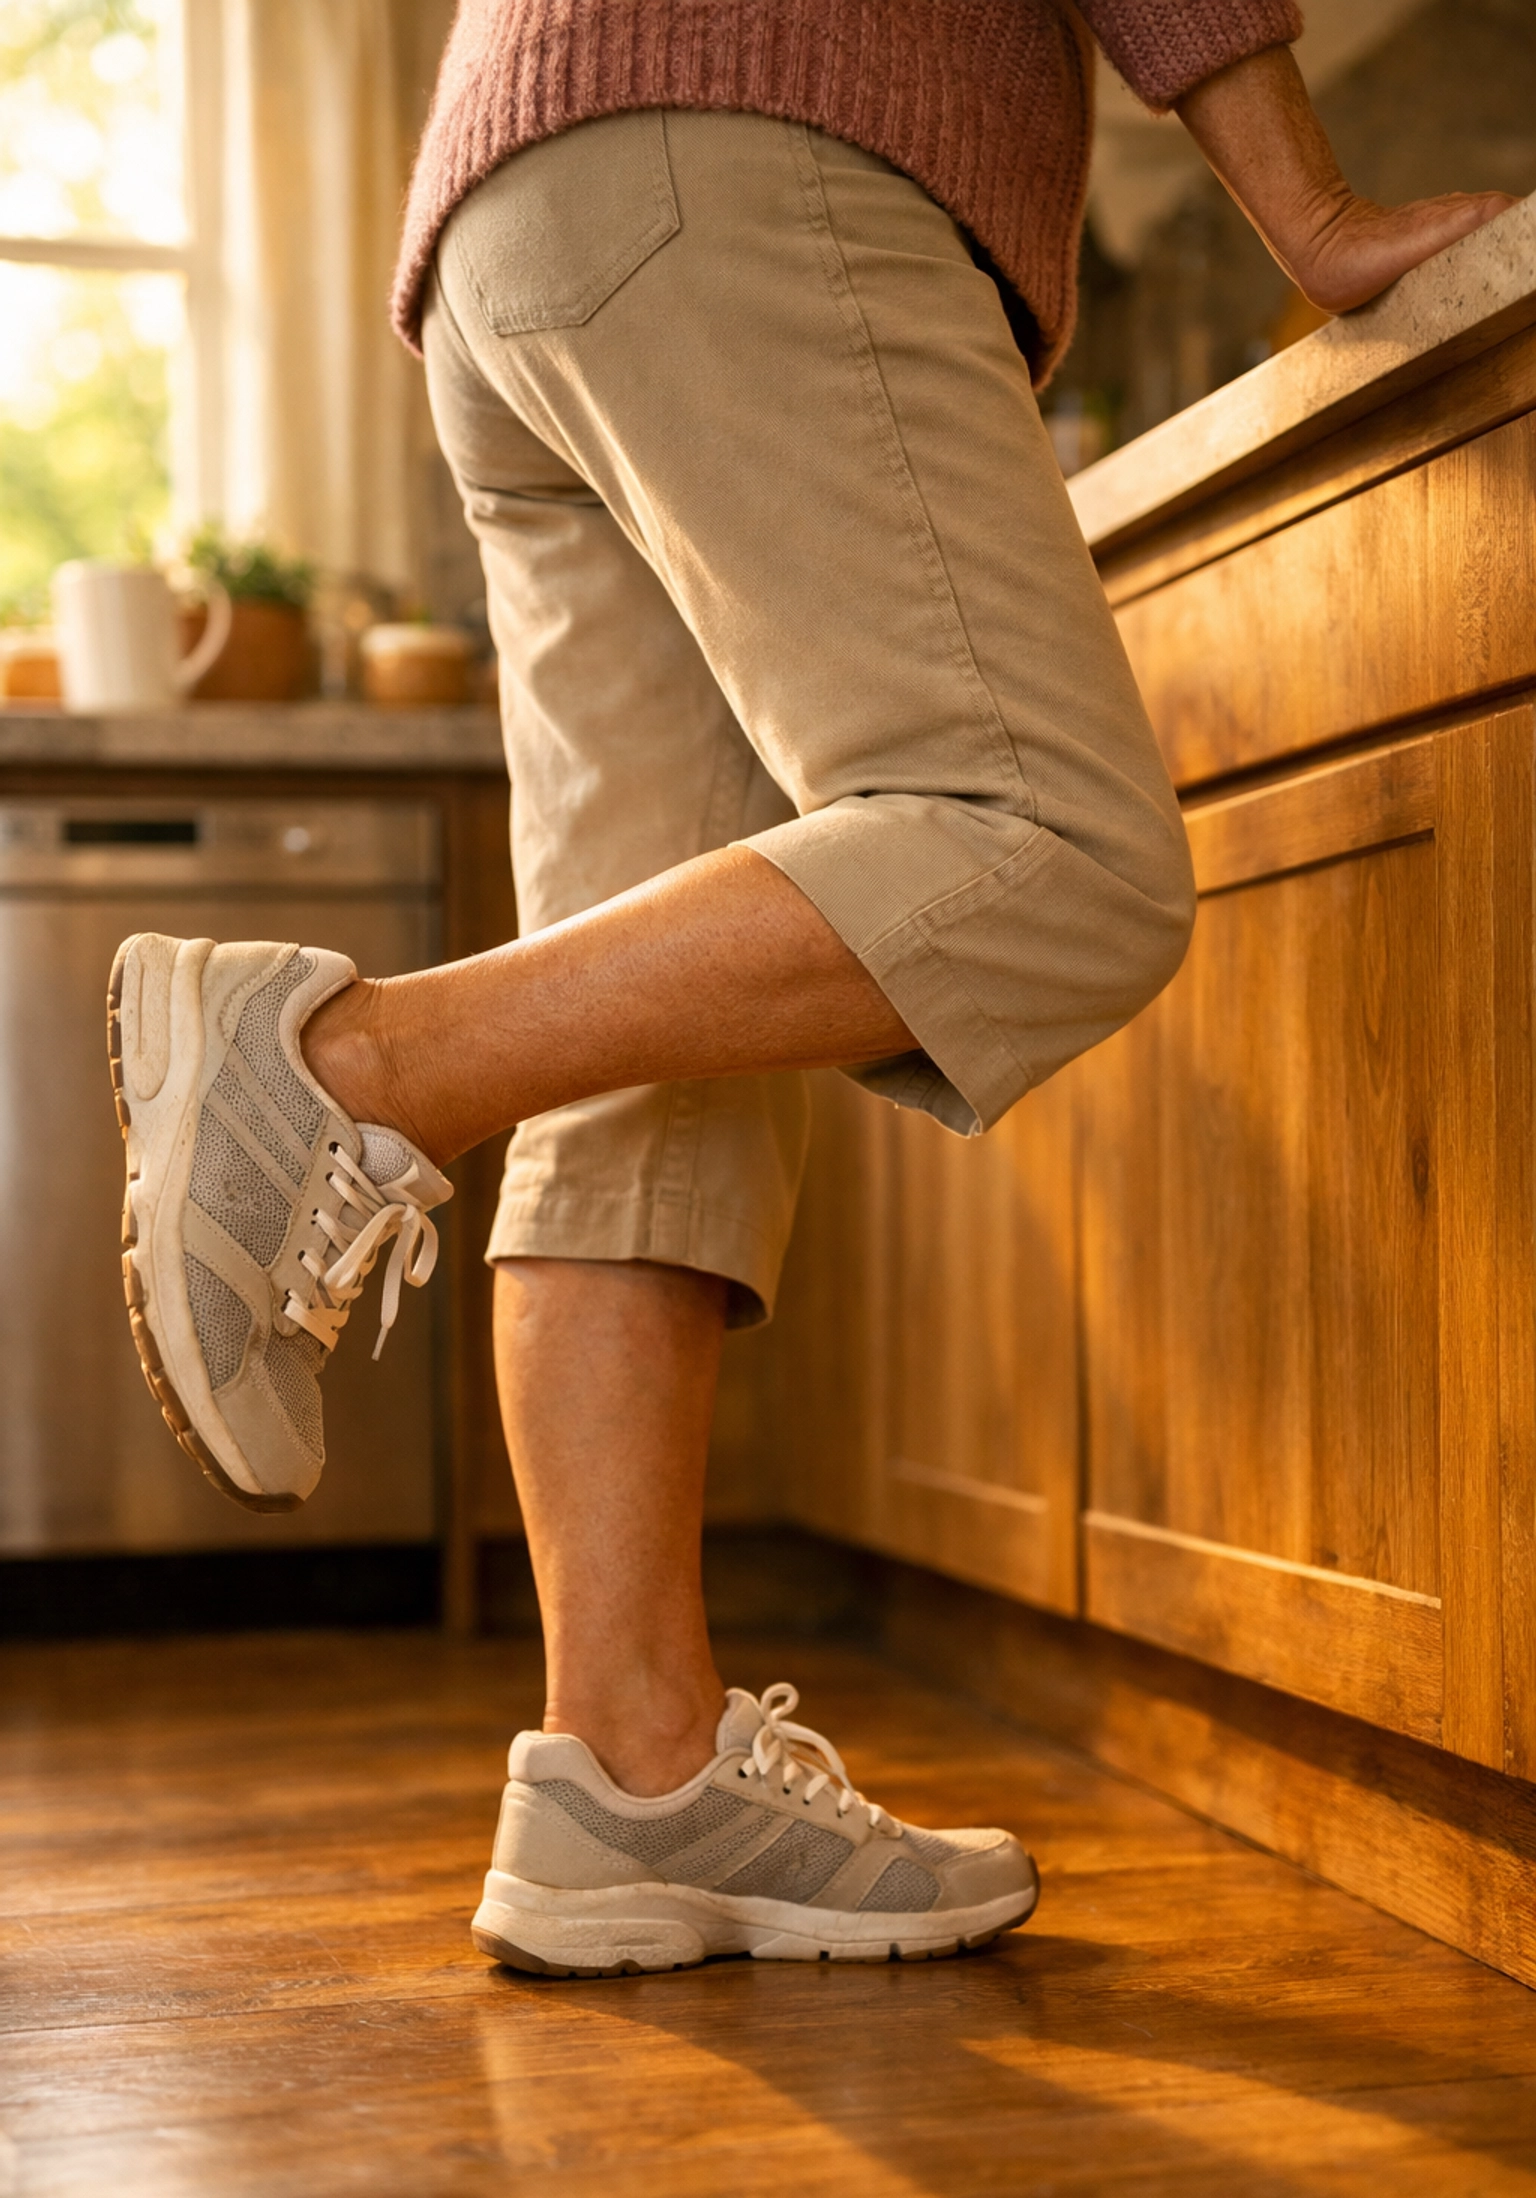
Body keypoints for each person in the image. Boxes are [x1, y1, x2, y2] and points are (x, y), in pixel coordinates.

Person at [109, 6, 1513, 1977]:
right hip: (761, 131)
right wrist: (1314, 203)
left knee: (647, 1068)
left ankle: (630, 1776)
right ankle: (346, 1066)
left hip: (528, 210)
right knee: (1057, 847)